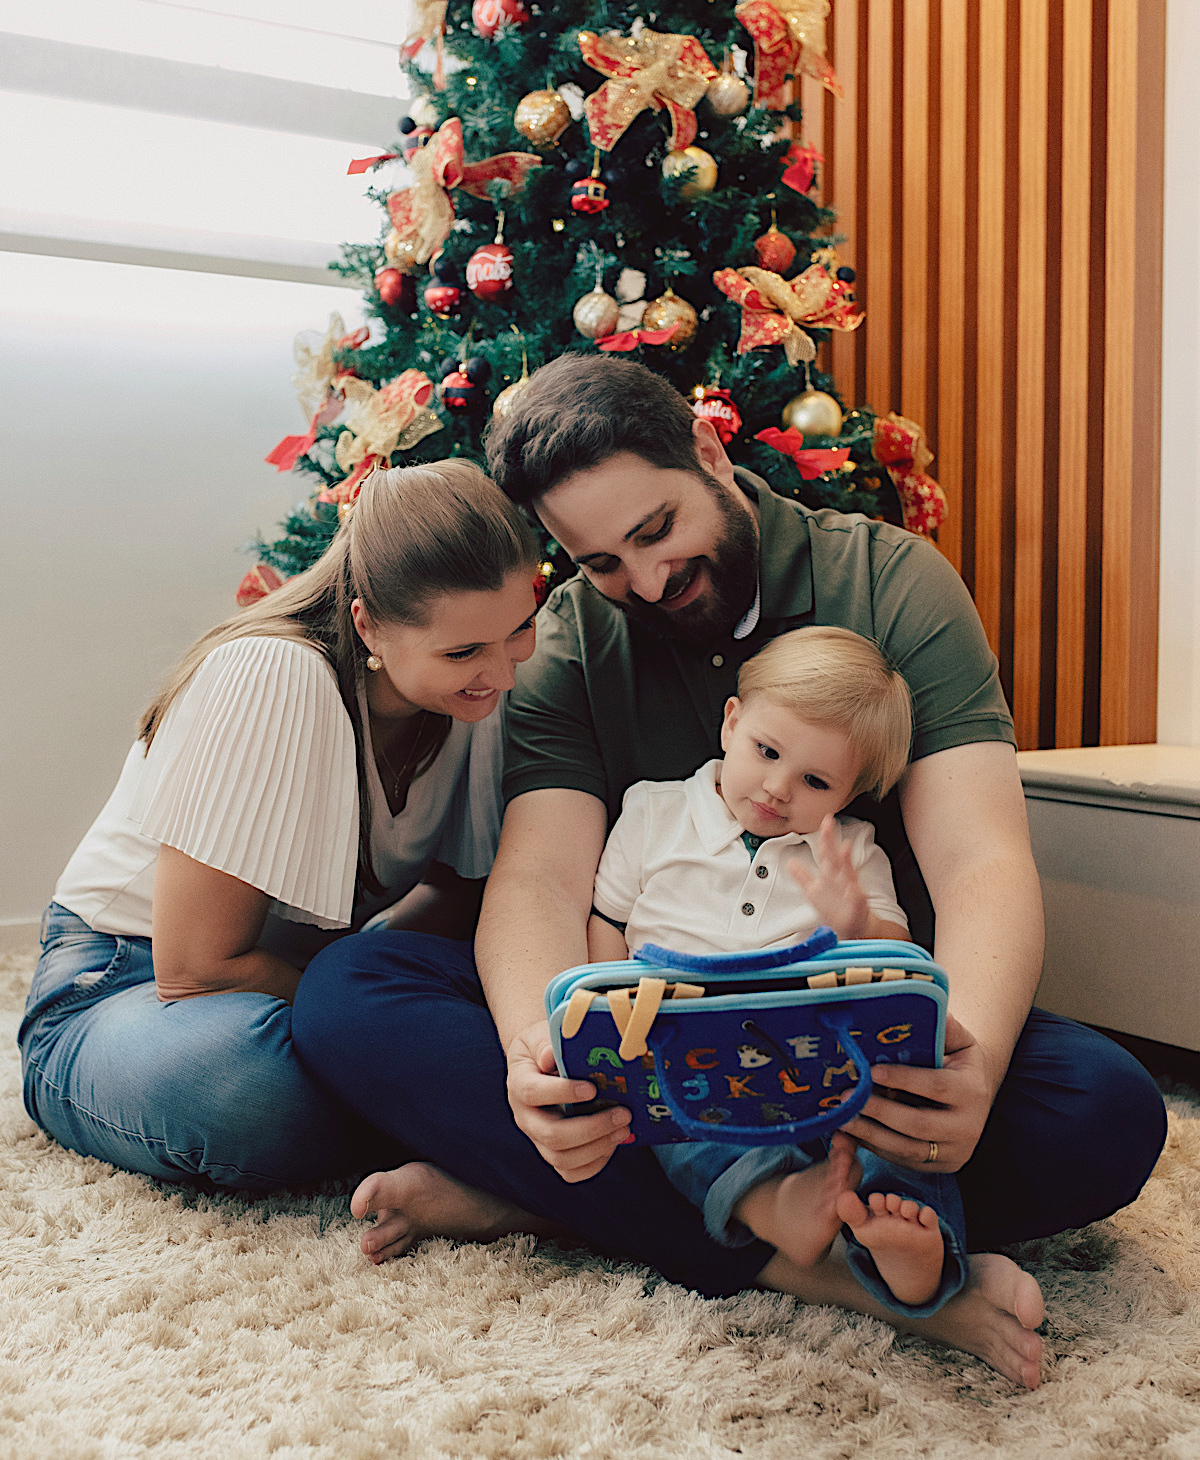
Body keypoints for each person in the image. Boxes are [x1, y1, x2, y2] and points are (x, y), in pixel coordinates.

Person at [291, 355, 1167, 1391]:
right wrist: (545, 1061)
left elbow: (980, 856)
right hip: (663, 1048)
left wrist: (962, 1075)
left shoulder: (891, 583)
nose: (647, 583)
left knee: (1104, 1111)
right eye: (603, 562)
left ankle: (535, 1199)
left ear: (709, 451)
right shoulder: (569, 641)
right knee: (352, 992)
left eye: (657, 531)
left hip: (854, 1061)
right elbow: (539, 884)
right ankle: (830, 1270)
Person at [19, 460, 543, 1194]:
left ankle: (419, 1124)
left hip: (302, 987)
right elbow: (194, 968)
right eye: (463, 652)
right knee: (256, 1088)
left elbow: (458, 895)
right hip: (123, 986)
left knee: (490, 1034)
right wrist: (369, 1022)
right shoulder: (273, 673)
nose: (503, 672)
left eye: (518, 630)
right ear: (370, 626)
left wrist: (378, 996)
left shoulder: (473, 697)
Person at [588, 625, 975, 1322]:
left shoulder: (849, 847)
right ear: (732, 721)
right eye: (766, 751)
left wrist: (855, 923)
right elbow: (607, 921)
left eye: (816, 781)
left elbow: (899, 956)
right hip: (686, 1047)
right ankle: (773, 1203)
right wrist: (604, 997)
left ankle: (912, 1243)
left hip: (812, 1061)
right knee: (676, 1120)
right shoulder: (653, 810)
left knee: (895, 1111)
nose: (776, 787)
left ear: (850, 790)